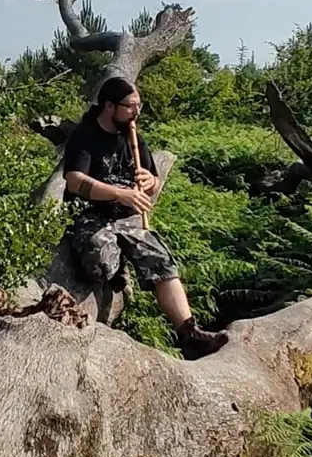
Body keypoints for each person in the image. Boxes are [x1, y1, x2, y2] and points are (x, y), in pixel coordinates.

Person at [62, 76, 228, 360]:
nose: (137, 112)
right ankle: (118, 266)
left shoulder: (133, 135)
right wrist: (119, 194)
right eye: (131, 106)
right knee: (99, 266)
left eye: (139, 106)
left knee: (160, 260)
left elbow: (153, 179)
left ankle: (190, 334)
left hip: (128, 218)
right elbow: (74, 180)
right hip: (90, 215)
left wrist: (150, 181)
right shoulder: (84, 135)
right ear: (109, 106)